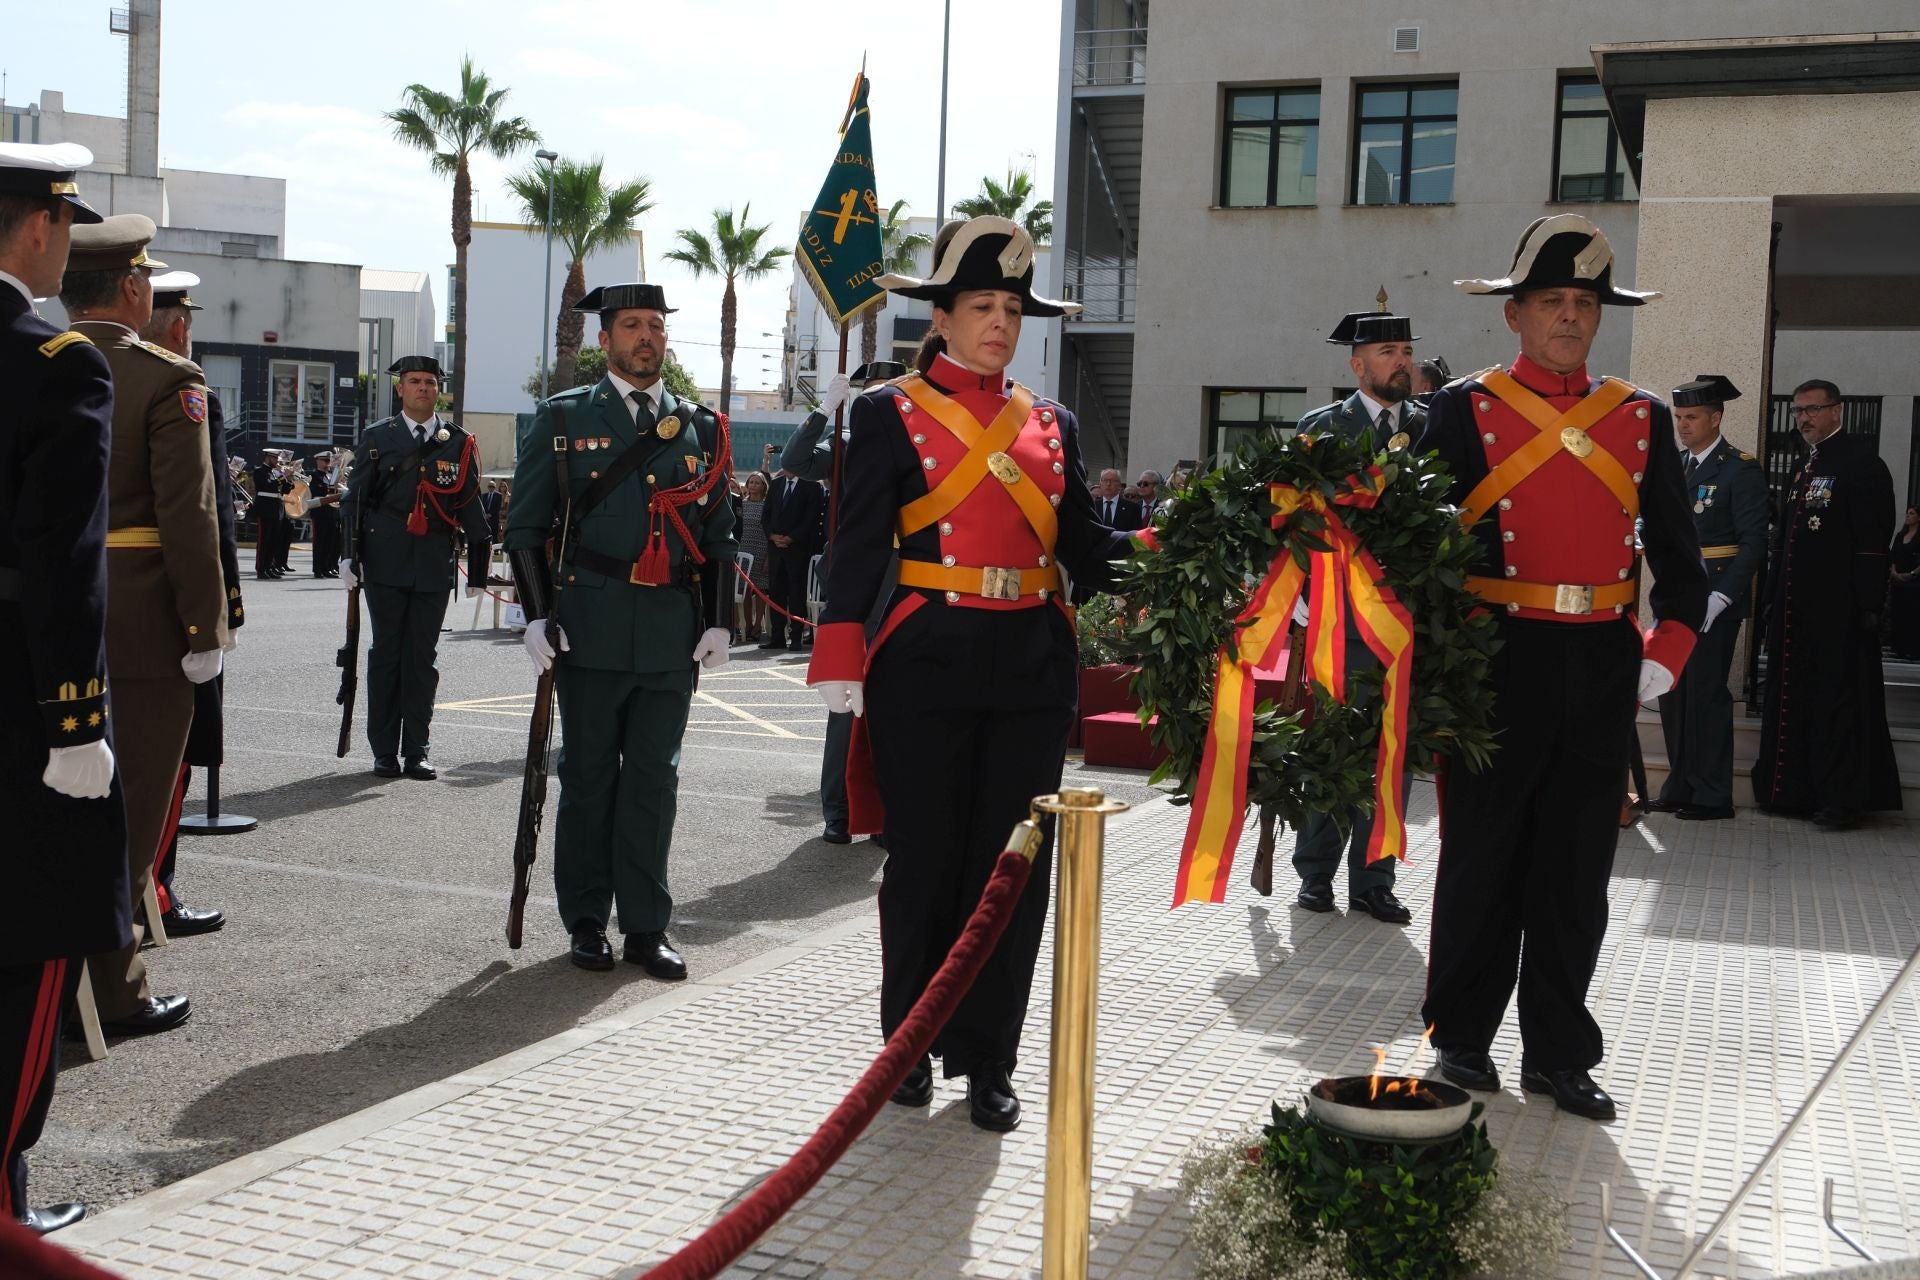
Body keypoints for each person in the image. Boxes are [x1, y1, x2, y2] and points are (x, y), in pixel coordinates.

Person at [807, 216, 1133, 1132]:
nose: (1000, 322)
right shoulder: (884, 412)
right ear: (941, 317)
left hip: (1030, 662)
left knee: (1013, 869)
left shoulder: (1052, 422)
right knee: (924, 863)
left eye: (1012, 308)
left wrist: (1186, 538)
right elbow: (859, 541)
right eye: (982, 306)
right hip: (927, 656)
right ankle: (907, 1048)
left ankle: (990, 1058)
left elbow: (1088, 550)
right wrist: (839, 652)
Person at [1417, 213, 1707, 1122]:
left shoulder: (1640, 417)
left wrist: (1662, 658)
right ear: (1515, 315)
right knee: (1480, 861)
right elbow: (1414, 552)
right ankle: (1461, 1042)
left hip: (1600, 666)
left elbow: (1685, 569)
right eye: (1553, 301)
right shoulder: (1458, 411)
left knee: (1577, 872)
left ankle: (1557, 1053)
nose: (1570, 318)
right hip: (1496, 663)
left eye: (1585, 303)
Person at [503, 282, 735, 978]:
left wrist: (719, 620)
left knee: (655, 783)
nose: (645, 337)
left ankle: (645, 926)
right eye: (631, 326)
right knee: (589, 776)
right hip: (591, 627)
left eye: (656, 326)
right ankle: (584, 921)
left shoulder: (702, 427)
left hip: (671, 632)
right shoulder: (565, 418)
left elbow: (719, 535)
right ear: (605, 340)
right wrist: (538, 612)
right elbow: (526, 526)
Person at [0, 139, 131, 1236]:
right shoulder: (58, 359)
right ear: (42, 227)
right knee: (25, 954)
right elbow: (61, 561)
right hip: (18, 707)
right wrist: (75, 724)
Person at [63, 213, 227, 1036]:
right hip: (137, 626)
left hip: (44, 617)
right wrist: (205, 633)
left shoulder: (35, 355)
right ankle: (113, 991)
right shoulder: (166, 379)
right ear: (134, 289)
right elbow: (189, 522)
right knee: (125, 822)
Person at [1285, 309, 1425, 925]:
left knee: (1393, 748)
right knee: (1333, 744)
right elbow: (1290, 519)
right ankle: (1316, 875)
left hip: (1409, 620)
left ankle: (1376, 879)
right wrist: (1296, 601)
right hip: (1340, 617)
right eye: (1389, 351)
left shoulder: (1431, 427)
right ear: (1358, 365)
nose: (1402, 361)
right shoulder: (1323, 429)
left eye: (1406, 350)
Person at [1753, 379, 1901, 829]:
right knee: (1795, 698)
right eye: (1798, 411)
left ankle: (1839, 799)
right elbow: (1785, 541)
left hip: (1840, 610)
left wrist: (1869, 603)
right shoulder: (1804, 465)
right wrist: (1773, 600)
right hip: (1797, 610)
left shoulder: (1861, 464)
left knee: (1837, 703)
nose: (1803, 419)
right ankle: (1792, 792)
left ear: (1837, 411)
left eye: (1812, 410)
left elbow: (1874, 541)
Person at [339, 356, 489, 780]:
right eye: (414, 381)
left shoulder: (457, 442)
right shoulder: (376, 438)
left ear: (438, 389)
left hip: (432, 563)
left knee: (423, 658)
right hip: (384, 560)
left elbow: (470, 502)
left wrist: (479, 569)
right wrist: (348, 554)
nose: (423, 388)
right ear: (400, 389)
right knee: (386, 653)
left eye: (429, 382)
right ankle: (384, 751)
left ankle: (416, 750)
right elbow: (355, 499)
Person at [780, 361, 910, 844]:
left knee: (895, 700)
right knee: (846, 698)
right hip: (856, 577)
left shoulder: (923, 447)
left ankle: (882, 808)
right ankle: (837, 808)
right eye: (868, 394)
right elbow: (793, 461)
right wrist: (822, 411)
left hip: (910, 577)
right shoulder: (847, 447)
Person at [140, 269, 234, 936]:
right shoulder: (180, 386)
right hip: (168, 609)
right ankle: (156, 894)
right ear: (178, 328)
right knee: (168, 760)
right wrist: (217, 614)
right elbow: (203, 514)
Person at [1647, 375, 1767, 822]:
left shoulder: (1740, 469)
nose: (1683, 425)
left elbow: (1754, 542)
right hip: (1678, 597)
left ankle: (1713, 793)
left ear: (1715, 418)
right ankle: (1681, 783)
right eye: (1678, 417)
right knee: (1673, 692)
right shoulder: (1678, 465)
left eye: (1692, 417)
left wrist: (1721, 596)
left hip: (1716, 596)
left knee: (1706, 696)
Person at [762, 466, 823, 651]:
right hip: (776, 549)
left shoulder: (811, 486)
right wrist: (772, 536)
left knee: (796, 594)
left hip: (797, 549)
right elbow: (766, 514)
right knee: (776, 593)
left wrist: (791, 538)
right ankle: (777, 637)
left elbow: (811, 518)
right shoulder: (776, 484)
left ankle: (796, 637)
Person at [735, 470, 772, 644]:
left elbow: (769, 531)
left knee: (760, 589)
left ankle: (758, 626)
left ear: (763, 486)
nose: (754, 485)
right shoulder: (742, 504)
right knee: (745, 589)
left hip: (762, 549)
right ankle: (748, 624)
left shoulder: (767, 506)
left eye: (757, 483)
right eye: (751, 482)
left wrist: (767, 557)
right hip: (744, 549)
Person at [1889, 506, 1920, 660]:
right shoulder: (1900, 535)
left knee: (1911, 614)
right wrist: (1894, 572)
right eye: (1907, 513)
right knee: (1897, 612)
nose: (1908, 516)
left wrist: (1912, 574)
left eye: (1912, 514)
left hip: (1913, 582)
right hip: (1898, 580)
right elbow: (1893, 554)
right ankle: (1898, 646)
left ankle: (1911, 648)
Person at [306, 449, 343, 578]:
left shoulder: (331, 476)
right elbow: (316, 491)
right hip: (320, 513)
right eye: (326, 461)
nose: (328, 463)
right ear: (318, 461)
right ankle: (317, 569)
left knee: (330, 542)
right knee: (319, 542)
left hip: (332, 512)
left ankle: (327, 567)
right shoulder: (313, 476)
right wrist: (332, 487)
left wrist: (338, 472)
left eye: (330, 461)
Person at [250, 449, 286, 579]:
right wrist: (282, 477)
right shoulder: (259, 471)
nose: (276, 461)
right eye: (274, 458)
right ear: (267, 458)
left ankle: (270, 567)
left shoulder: (276, 473)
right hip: (265, 509)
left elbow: (286, 489)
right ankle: (261, 569)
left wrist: (288, 478)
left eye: (277, 458)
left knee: (273, 541)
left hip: (276, 509)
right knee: (264, 541)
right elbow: (267, 485)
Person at [480, 479, 504, 544]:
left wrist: (490, 514)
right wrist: (485, 515)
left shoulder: (499, 495)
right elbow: (482, 506)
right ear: (488, 487)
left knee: (494, 534)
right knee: (485, 534)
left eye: (493, 486)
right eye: (490, 486)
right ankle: (486, 549)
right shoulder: (484, 495)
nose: (491, 488)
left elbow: (498, 507)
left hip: (494, 518)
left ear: (495, 487)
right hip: (485, 518)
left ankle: (495, 550)